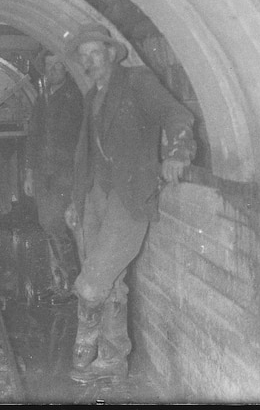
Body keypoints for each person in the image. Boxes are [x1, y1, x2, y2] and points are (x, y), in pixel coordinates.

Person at [65, 25, 196, 384]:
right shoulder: (92, 96)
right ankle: (113, 358)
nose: (89, 61)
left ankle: (86, 345)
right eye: (83, 56)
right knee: (112, 280)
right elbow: (85, 156)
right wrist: (77, 200)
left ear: (110, 53)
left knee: (93, 283)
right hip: (95, 196)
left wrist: (176, 154)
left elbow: (177, 115)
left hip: (130, 195)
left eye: (95, 53)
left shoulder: (137, 82)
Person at [23, 52, 83, 304]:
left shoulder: (74, 98)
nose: (53, 70)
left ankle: (70, 284)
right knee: (48, 225)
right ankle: (59, 282)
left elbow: (81, 139)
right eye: (49, 65)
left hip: (63, 173)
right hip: (43, 173)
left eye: (58, 65)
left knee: (55, 225)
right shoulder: (43, 99)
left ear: (67, 69)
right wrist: (28, 173)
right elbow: (33, 137)